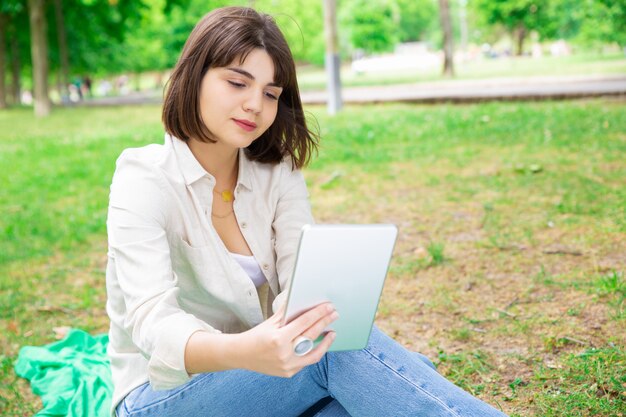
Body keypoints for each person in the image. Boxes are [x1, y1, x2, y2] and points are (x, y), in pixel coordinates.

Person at [105, 7, 509, 417]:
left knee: (357, 386)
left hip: (271, 382)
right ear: (194, 77)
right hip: (162, 396)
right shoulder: (143, 178)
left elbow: (303, 283)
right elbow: (153, 326)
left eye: (270, 94)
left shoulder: (276, 172)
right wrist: (250, 350)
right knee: (340, 356)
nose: (254, 106)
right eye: (237, 83)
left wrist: (297, 324)